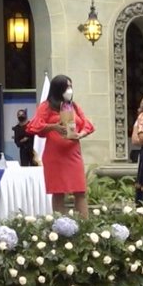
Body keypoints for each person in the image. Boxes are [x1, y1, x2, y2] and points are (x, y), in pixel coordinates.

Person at [26, 75, 95, 217]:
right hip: (55, 155)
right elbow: (33, 126)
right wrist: (53, 127)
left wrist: (81, 134)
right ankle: (60, 226)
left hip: (73, 153)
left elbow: (87, 124)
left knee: (80, 191)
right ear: (58, 89)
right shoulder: (47, 106)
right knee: (58, 192)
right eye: (66, 87)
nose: (69, 90)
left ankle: (85, 227)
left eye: (71, 86)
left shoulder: (73, 105)